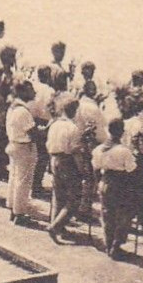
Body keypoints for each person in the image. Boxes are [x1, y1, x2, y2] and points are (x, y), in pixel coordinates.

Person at [93, 118, 140, 258]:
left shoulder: (99, 149)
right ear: (121, 132)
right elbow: (132, 170)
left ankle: (109, 245)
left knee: (107, 215)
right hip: (121, 184)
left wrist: (98, 184)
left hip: (104, 181)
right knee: (123, 215)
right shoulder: (123, 151)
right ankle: (116, 244)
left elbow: (95, 168)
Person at [45, 98, 87, 244]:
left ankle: (58, 227)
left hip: (54, 159)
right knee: (74, 198)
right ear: (74, 111)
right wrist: (82, 170)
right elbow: (75, 152)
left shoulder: (54, 125)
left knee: (58, 196)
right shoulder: (73, 128)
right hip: (67, 161)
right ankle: (55, 226)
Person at [5, 82, 38, 225]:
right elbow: (33, 133)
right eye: (31, 90)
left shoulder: (12, 108)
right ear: (23, 92)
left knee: (14, 178)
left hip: (14, 144)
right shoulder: (23, 111)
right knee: (23, 181)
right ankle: (19, 213)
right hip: (23, 147)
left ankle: (13, 208)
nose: (34, 93)